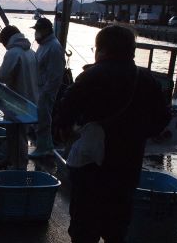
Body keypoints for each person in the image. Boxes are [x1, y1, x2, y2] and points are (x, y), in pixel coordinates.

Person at [58, 25, 170, 243]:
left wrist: (69, 132)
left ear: (102, 49)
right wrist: (138, 134)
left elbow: (65, 110)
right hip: (127, 165)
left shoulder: (90, 76)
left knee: (84, 224)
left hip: (90, 166)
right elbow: (163, 118)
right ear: (132, 50)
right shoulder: (147, 80)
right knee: (117, 227)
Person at [0, 25, 39, 169]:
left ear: (6, 41)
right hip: (32, 102)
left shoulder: (13, 53)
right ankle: (15, 162)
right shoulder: (31, 52)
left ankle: (19, 167)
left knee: (16, 136)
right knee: (21, 135)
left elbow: (1, 77)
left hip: (17, 103)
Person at [29, 17, 65, 158]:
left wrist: (46, 93)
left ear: (45, 31)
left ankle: (44, 149)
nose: (36, 33)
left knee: (44, 119)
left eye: (38, 30)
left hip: (46, 91)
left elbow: (55, 76)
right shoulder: (43, 45)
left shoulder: (54, 47)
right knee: (39, 120)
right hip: (38, 90)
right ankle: (44, 146)